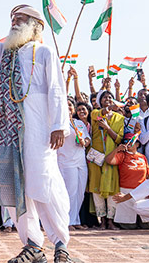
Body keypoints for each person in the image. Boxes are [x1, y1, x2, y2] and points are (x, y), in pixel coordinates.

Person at [0, 0, 71, 263]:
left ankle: (61, 244)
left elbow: (56, 90)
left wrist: (58, 126)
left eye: (19, 18)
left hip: (39, 133)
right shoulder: (5, 52)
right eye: (12, 18)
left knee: (44, 185)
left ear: (35, 25)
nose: (14, 22)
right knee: (15, 187)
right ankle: (32, 245)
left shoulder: (44, 52)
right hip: (8, 136)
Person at [87, 91, 125, 230]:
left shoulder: (119, 118)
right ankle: (102, 220)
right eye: (104, 98)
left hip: (112, 156)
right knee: (96, 189)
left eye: (110, 97)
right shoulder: (95, 114)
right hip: (96, 157)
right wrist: (108, 109)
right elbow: (101, 113)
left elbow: (119, 139)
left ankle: (110, 220)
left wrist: (108, 128)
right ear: (100, 100)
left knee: (112, 189)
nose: (108, 99)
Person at [57, 98, 90, 230]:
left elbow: (87, 138)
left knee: (80, 193)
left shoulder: (79, 123)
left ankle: (75, 220)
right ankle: (67, 222)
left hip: (80, 161)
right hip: (66, 161)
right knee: (70, 192)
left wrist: (84, 142)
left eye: (70, 105)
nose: (68, 107)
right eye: (65, 105)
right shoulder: (59, 123)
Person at [104, 132, 149, 228]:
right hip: (126, 190)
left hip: (142, 190)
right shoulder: (122, 155)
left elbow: (148, 176)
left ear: (137, 144)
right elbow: (108, 160)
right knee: (128, 225)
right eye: (126, 142)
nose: (128, 144)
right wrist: (117, 150)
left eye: (131, 142)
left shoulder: (143, 157)